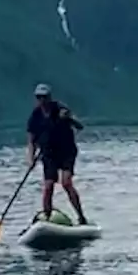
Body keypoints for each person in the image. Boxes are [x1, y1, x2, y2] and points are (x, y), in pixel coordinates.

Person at [26, 83, 88, 225]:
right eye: (39, 97)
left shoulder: (61, 108)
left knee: (66, 183)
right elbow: (31, 141)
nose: (42, 100)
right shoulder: (35, 116)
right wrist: (30, 159)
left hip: (66, 151)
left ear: (49, 97)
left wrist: (69, 118)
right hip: (48, 153)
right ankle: (47, 217)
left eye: (45, 97)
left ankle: (81, 216)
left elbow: (80, 126)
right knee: (48, 186)